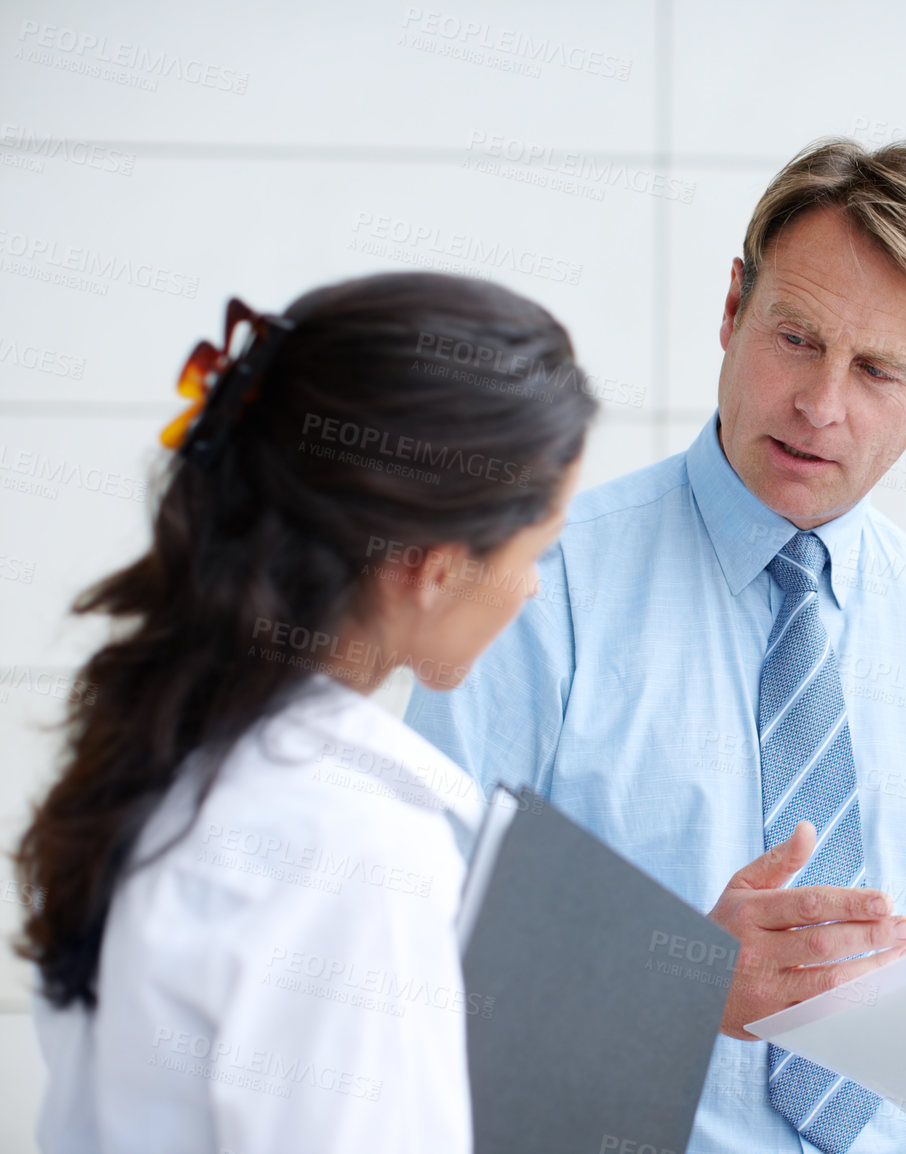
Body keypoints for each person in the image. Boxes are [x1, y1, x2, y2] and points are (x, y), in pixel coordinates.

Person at [406, 137, 906, 1154]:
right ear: (732, 309)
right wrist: (677, 975)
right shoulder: (540, 590)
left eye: (879, 370)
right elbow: (406, 954)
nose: (821, 404)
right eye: (797, 337)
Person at [15, 272, 597, 1153]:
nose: (531, 591)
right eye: (538, 550)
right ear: (434, 569)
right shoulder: (353, 851)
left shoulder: (170, 747)